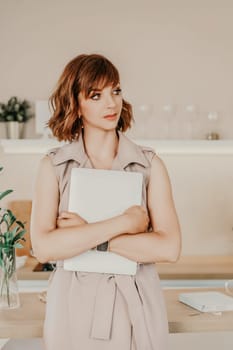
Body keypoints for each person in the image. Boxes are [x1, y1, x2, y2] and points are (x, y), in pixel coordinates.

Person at [30, 53, 181, 350]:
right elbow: (45, 248)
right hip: (72, 305)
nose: (111, 103)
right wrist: (126, 224)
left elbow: (169, 247)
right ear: (75, 103)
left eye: (116, 90)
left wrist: (89, 237)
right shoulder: (54, 167)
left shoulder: (149, 165)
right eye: (96, 95)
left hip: (136, 300)